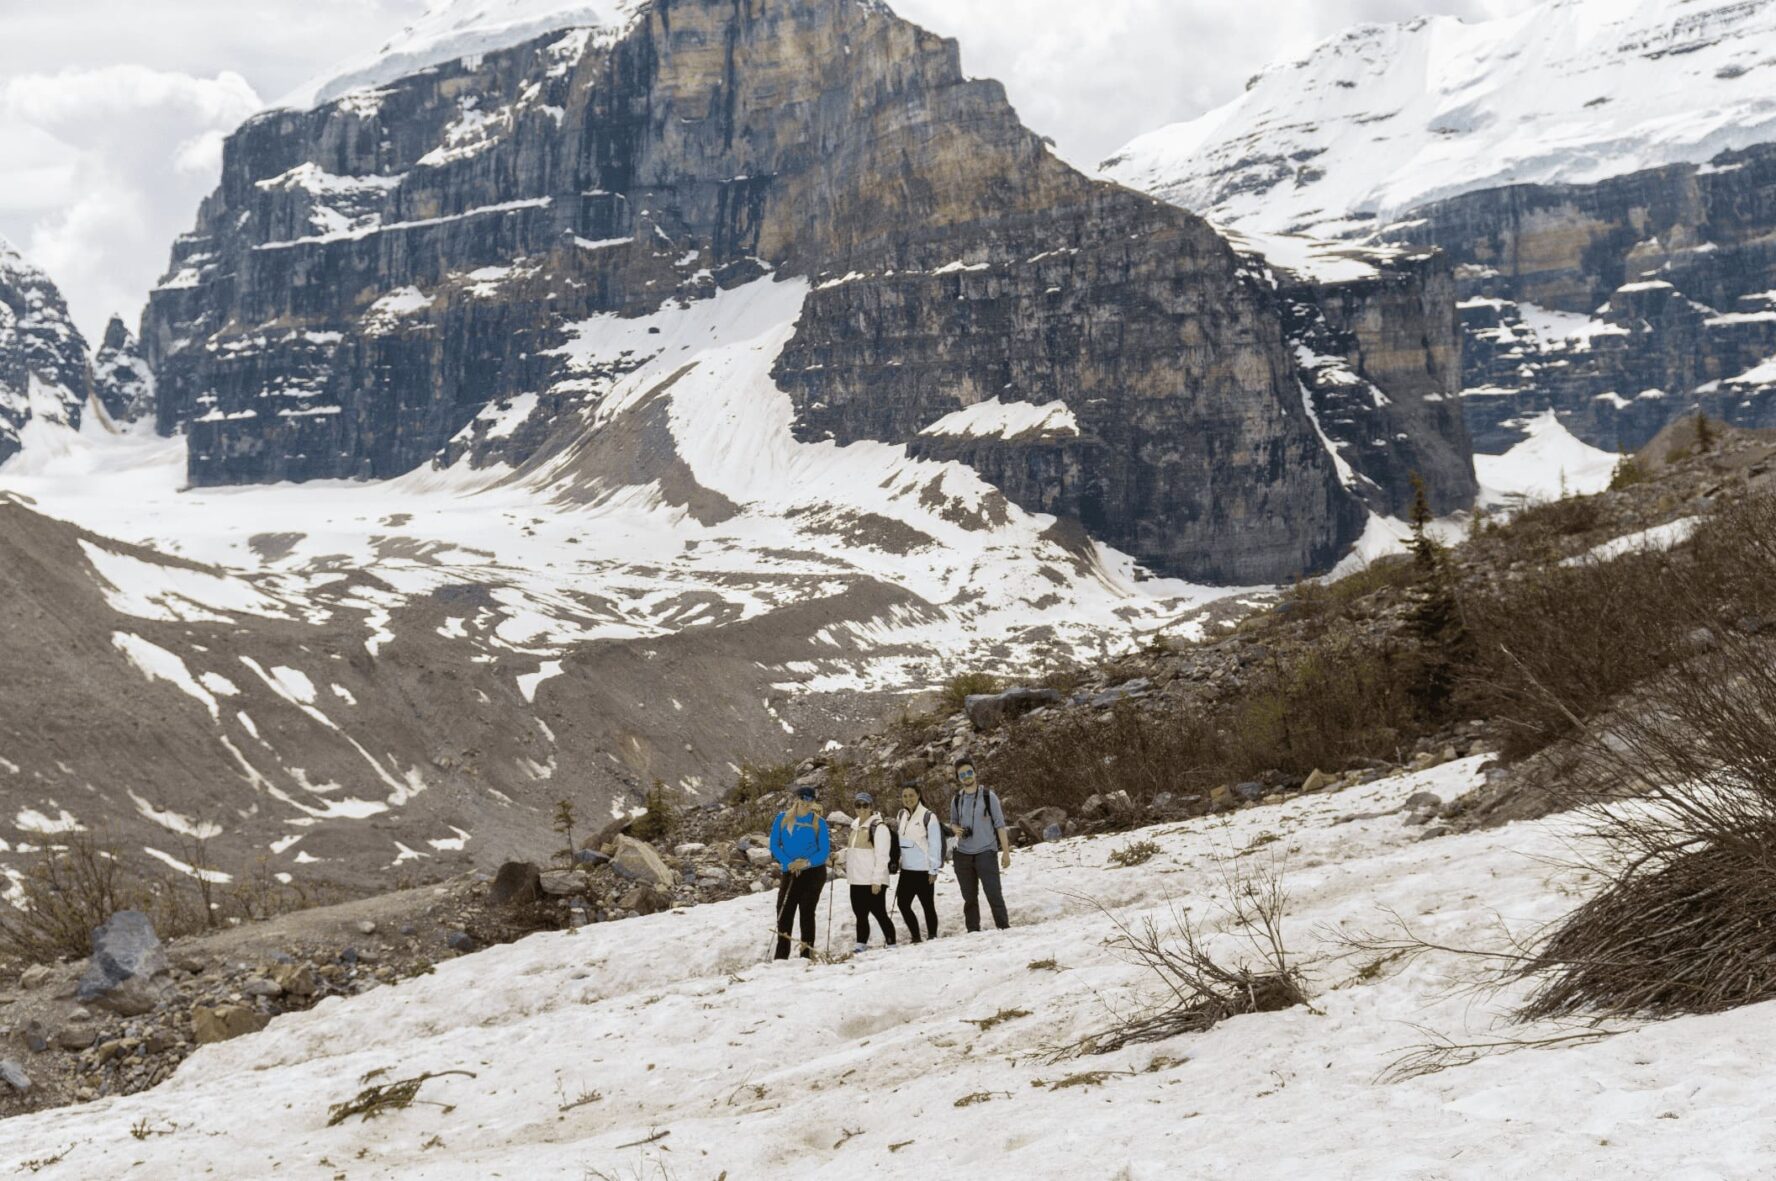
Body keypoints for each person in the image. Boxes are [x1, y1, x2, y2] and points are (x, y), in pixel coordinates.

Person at [946, 756, 1011, 932]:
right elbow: (952, 822)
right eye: (962, 774)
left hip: (986, 852)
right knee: (969, 898)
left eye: (969, 772)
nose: (966, 776)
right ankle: (973, 931)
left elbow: (1000, 826)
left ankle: (1003, 927)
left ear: (975, 773)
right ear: (958, 778)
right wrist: (955, 829)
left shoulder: (989, 797)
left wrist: (1005, 852)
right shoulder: (957, 799)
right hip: (963, 855)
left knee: (993, 893)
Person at [769, 785, 830, 960]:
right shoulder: (782, 818)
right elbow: (774, 844)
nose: (806, 802)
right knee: (784, 911)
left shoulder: (818, 822)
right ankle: (781, 956)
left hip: (813, 873)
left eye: (810, 799)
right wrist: (789, 863)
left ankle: (806, 954)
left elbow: (823, 851)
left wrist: (805, 863)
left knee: (806, 912)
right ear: (796, 799)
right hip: (790, 871)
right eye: (803, 798)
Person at [845, 791, 897, 954]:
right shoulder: (855, 827)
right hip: (856, 879)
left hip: (872, 880)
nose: (861, 808)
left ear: (871, 807)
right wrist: (837, 856)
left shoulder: (879, 828)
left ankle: (891, 942)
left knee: (879, 912)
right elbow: (852, 850)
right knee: (860, 914)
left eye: (865, 805)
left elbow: (883, 856)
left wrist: (877, 881)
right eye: (858, 805)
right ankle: (861, 943)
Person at [895, 781, 943, 943]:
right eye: (905, 796)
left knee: (927, 905)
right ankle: (915, 936)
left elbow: (935, 844)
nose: (908, 799)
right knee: (903, 903)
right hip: (907, 869)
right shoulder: (901, 815)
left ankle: (932, 936)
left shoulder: (928, 816)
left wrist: (933, 869)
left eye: (911, 795)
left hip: (924, 869)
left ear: (918, 795)